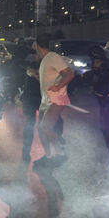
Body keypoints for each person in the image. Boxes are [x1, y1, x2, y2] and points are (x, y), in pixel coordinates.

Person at [35, 33, 75, 164]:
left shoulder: (52, 57)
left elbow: (69, 74)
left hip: (56, 100)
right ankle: (48, 156)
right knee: (41, 129)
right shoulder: (45, 60)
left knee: (46, 127)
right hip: (46, 100)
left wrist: (58, 87)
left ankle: (60, 154)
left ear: (36, 45)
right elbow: (48, 78)